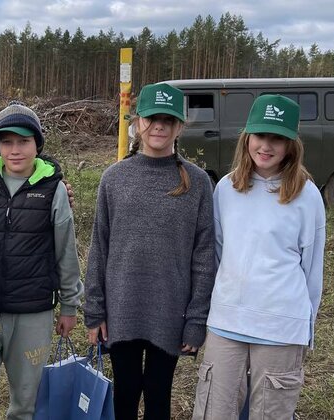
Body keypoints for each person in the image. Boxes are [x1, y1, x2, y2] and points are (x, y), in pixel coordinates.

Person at [83, 82, 216, 420]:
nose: (159, 126)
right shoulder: (114, 178)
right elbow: (99, 246)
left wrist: (196, 320)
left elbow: (203, 256)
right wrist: (95, 311)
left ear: (180, 127)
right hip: (122, 307)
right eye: (152, 118)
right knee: (124, 394)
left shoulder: (197, 182)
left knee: (159, 396)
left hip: (169, 310)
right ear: (137, 122)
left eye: (168, 120)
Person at [191, 95, 326, 420]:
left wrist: (305, 328)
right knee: (214, 411)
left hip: (281, 327)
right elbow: (220, 253)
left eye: (277, 138)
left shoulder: (307, 196)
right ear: (247, 137)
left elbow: (312, 269)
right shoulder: (226, 188)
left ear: (291, 144)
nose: (266, 146)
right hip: (227, 323)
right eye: (260, 135)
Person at [0, 102, 84, 420]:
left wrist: (69, 305)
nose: (15, 150)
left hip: (33, 313)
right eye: (7, 141)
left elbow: (66, 250)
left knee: (27, 402)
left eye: (24, 141)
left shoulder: (52, 188)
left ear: (36, 145)